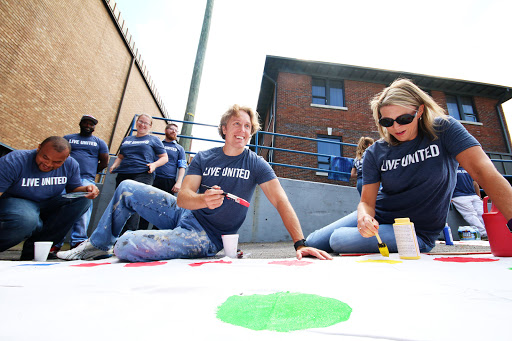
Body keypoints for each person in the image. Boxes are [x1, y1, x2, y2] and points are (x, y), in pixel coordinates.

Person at [57, 104, 332, 262]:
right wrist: (202, 200)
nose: (243, 130)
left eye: (248, 126)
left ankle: (121, 244)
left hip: (205, 236)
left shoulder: (256, 163)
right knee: (127, 188)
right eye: (237, 124)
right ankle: (97, 244)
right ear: (224, 128)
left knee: (128, 245)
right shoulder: (204, 156)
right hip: (184, 213)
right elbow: (183, 196)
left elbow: (281, 201)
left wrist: (299, 243)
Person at [306, 78, 512, 254]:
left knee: (338, 240)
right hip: (379, 217)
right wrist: (364, 217)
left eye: (404, 119)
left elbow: (483, 172)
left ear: (420, 110)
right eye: (387, 122)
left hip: (417, 231)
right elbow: (367, 201)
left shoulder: (444, 130)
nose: (396, 127)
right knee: (313, 243)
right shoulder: (375, 151)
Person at [0, 136, 99, 260]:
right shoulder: (15, 160)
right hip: (17, 202)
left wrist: (86, 189)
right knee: (28, 219)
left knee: (83, 199)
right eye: (45, 157)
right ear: (39, 148)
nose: (48, 164)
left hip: (49, 202)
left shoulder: (71, 164)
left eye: (57, 162)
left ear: (66, 158)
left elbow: (73, 190)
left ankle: (33, 251)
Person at [51, 115, 109, 253]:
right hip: (65, 178)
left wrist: (91, 172)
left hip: (86, 179)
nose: (88, 125)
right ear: (80, 123)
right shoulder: (68, 138)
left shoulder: (99, 143)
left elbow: (104, 162)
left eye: (92, 124)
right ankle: (55, 243)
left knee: (83, 209)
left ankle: (77, 242)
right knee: (60, 209)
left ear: (94, 127)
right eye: (86, 123)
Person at [109, 113, 168, 232]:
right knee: (120, 203)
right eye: (140, 121)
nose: (142, 125)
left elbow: (165, 158)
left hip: (143, 173)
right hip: (124, 174)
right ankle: (116, 235)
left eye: (146, 123)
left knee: (134, 201)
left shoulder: (154, 139)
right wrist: (114, 165)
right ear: (137, 122)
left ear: (150, 126)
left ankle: (129, 234)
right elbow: (121, 156)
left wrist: (154, 165)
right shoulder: (127, 139)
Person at [138, 123, 187, 230]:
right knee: (146, 206)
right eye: (171, 129)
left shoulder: (179, 148)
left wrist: (178, 182)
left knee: (164, 210)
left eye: (176, 130)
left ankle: (156, 236)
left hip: (168, 181)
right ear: (165, 130)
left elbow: (182, 166)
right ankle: (141, 232)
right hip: (152, 179)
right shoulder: (157, 144)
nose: (174, 131)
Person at [451, 166, 487, 240]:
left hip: (472, 195)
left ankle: (489, 233)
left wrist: (478, 197)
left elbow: (475, 183)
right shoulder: (451, 168)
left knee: (482, 214)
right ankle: (484, 234)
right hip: (459, 196)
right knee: (471, 215)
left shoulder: (468, 168)